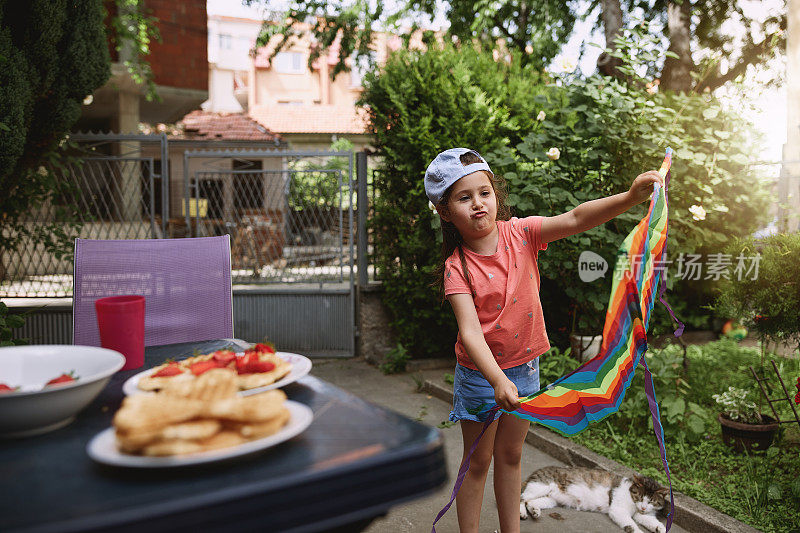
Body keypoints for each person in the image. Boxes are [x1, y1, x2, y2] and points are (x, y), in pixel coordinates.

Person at [425, 148, 663, 533]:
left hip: (525, 368)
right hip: (480, 377)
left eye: (484, 192)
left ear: (495, 193)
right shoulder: (458, 267)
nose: (478, 204)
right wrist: (497, 380)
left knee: (511, 454)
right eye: (463, 197)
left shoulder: (521, 234)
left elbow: (575, 217)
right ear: (444, 210)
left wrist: (630, 197)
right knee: (479, 461)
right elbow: (470, 333)